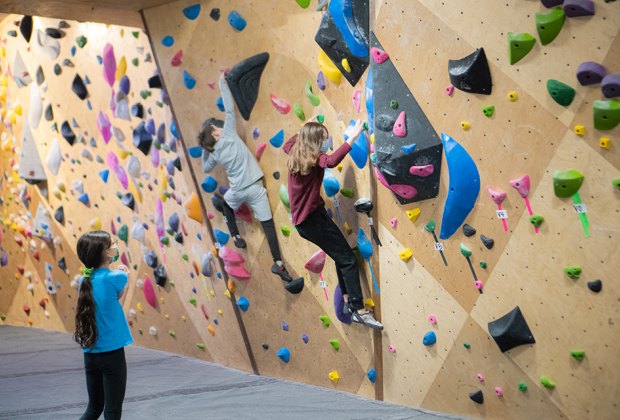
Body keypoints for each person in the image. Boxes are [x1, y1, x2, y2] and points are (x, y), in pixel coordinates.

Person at [198, 70, 303, 293]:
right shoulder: (227, 133)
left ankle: (235, 234)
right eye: (214, 129)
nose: (217, 127)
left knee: (226, 205)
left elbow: (205, 167)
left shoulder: (214, 154)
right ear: (215, 133)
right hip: (255, 188)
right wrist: (221, 81)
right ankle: (279, 264)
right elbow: (228, 107)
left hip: (239, 191)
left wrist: (205, 150)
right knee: (268, 227)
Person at [284, 120, 383, 329]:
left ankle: (347, 300)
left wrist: (306, 129)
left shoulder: (297, 152)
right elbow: (330, 161)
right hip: (312, 221)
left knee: (341, 256)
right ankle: (359, 310)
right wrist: (352, 138)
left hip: (309, 220)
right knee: (348, 260)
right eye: (324, 139)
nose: (327, 142)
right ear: (314, 143)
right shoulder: (313, 159)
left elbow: (290, 142)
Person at [74, 230, 133, 419]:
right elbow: (118, 302)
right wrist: (127, 278)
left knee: (93, 408)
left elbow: (110, 306)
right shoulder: (116, 277)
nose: (115, 247)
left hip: (90, 355)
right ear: (105, 253)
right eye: (111, 245)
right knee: (112, 410)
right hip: (112, 355)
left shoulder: (84, 281)